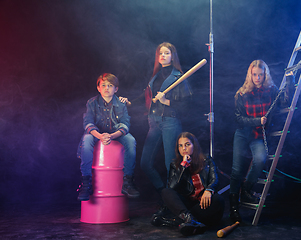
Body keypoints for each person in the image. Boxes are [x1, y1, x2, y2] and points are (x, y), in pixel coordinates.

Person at [229, 60, 294, 222]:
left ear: (265, 75)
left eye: (260, 75)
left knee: (260, 159)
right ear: (250, 75)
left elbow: (285, 101)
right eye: (254, 75)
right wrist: (257, 121)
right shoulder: (242, 93)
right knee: (237, 170)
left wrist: (290, 81)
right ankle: (233, 207)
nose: (257, 78)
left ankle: (246, 190)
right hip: (243, 133)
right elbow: (238, 119)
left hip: (258, 135)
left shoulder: (271, 91)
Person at [137, 42, 192, 195]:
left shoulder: (179, 77)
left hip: (170, 122)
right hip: (154, 122)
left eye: (167, 53)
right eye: (161, 53)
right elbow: (145, 97)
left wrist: (166, 101)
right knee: (145, 163)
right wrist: (127, 102)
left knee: (171, 165)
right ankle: (164, 193)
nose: (163, 55)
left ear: (172, 56)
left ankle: (172, 201)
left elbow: (186, 106)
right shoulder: (154, 78)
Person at [77, 73, 139, 201]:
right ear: (98, 88)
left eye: (110, 86)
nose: (106, 88)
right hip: (97, 133)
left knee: (131, 140)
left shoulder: (121, 104)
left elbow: (125, 124)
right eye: (103, 85)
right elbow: (88, 123)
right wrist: (100, 136)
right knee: (87, 139)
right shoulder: (92, 103)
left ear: (116, 89)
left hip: (115, 133)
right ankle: (86, 183)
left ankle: (127, 182)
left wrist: (111, 136)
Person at [151, 132, 225, 236]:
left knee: (218, 199)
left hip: (203, 206)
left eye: (187, 144)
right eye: (180, 146)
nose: (183, 148)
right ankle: (190, 220)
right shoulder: (175, 165)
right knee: (166, 191)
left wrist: (209, 190)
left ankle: (181, 222)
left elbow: (215, 179)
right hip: (187, 206)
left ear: (194, 145)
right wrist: (183, 166)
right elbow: (172, 186)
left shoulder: (207, 160)